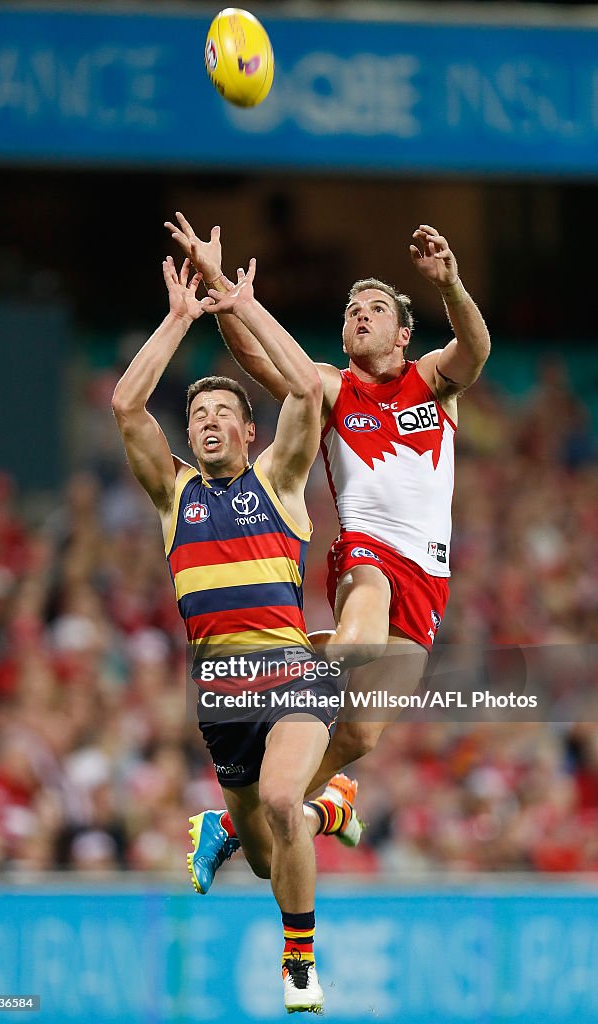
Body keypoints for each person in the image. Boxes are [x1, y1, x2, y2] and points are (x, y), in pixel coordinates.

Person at [166, 213, 491, 867]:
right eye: (351, 310)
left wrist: (451, 285)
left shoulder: (430, 380)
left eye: (375, 308)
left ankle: (254, 821)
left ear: (403, 332)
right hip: (368, 553)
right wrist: (225, 292)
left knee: (361, 737)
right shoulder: (330, 386)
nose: (360, 314)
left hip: (428, 578)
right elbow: (259, 359)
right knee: (363, 609)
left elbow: (475, 349)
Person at [112, 253, 362, 1015]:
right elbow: (127, 406)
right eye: (197, 417)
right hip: (219, 695)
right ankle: (329, 806)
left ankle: (297, 963)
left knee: (284, 801)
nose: (208, 422)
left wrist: (241, 305)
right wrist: (180, 318)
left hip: (288, 673)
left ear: (250, 433)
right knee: (261, 856)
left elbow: (301, 388)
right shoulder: (173, 493)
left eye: (223, 413)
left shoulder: (279, 481)